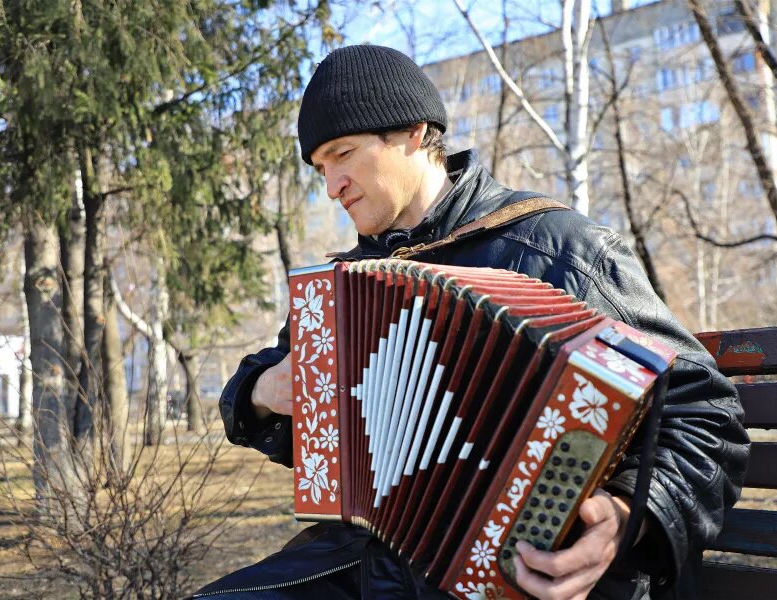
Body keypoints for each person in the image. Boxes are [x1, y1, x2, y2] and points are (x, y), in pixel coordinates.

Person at [199, 45, 749, 600]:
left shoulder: (564, 251)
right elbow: (303, 424)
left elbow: (703, 416)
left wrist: (627, 513)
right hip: (363, 564)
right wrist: (263, 393)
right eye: (320, 168)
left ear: (414, 133)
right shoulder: (344, 290)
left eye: (343, 154)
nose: (331, 185)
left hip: (524, 573)